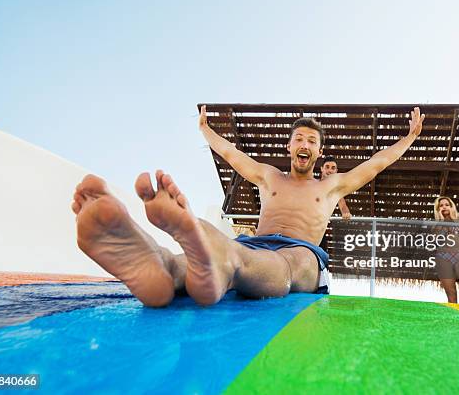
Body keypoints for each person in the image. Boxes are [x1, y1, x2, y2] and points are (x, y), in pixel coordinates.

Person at [71, 106, 425, 307]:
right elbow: (231, 153)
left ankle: (215, 259)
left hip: (301, 254)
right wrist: (205, 129)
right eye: (299, 138)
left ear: (318, 153)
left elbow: (377, 163)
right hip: (256, 243)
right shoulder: (270, 177)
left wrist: (409, 137)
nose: (305, 144)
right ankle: (163, 264)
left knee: (265, 260)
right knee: (220, 254)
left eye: (312, 142)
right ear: (289, 148)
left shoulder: (331, 186)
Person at [319, 156, 351, 252]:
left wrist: (346, 213)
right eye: (327, 167)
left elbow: (343, 205)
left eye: (333, 168)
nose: (329, 170)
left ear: (336, 171)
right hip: (303, 231)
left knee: (322, 262)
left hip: (320, 232)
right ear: (322, 169)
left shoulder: (335, 191)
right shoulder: (313, 184)